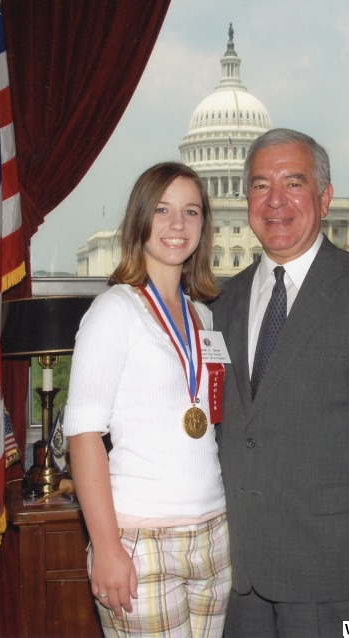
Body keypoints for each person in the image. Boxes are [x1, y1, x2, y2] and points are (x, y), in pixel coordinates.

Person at [211, 128, 349, 635]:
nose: (275, 201)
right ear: (246, 198)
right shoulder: (222, 303)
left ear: (325, 197)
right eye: (261, 185)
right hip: (236, 571)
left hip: (335, 571)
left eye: (294, 183)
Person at [63, 162, 231, 637]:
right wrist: (107, 547)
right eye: (162, 210)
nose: (178, 225)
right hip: (142, 541)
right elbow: (84, 437)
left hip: (215, 537)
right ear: (140, 219)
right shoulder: (114, 310)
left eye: (191, 211)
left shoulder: (203, 317)